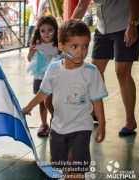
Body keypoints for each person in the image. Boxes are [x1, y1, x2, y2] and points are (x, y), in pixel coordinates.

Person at [22, 19, 108, 179]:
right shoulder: (53, 69)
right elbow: (43, 92)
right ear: (61, 47)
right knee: (64, 169)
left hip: (81, 127)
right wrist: (29, 106)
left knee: (76, 172)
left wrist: (102, 124)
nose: (81, 51)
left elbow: (97, 99)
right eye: (74, 46)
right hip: (58, 129)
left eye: (85, 46)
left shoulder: (91, 71)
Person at [72, 0, 139, 136]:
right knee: (95, 71)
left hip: (125, 25)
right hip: (103, 28)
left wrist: (132, 24)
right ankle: (94, 113)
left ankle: (130, 120)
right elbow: (81, 5)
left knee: (122, 72)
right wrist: (66, 30)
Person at [26, 15, 59, 136]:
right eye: (43, 31)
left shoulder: (57, 45)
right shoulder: (37, 44)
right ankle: (44, 124)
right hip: (39, 77)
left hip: (53, 79)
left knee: (49, 102)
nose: (46, 33)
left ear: (55, 30)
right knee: (41, 102)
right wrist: (30, 53)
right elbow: (30, 60)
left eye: (50, 30)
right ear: (39, 32)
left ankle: (55, 120)